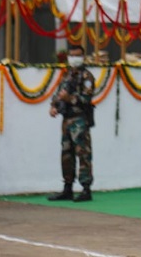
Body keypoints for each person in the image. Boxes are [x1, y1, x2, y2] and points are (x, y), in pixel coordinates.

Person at [48, 45, 95, 202]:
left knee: (83, 154)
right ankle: (67, 187)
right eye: (72, 55)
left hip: (80, 119)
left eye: (78, 55)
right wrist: (54, 106)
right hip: (66, 120)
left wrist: (70, 99)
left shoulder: (87, 77)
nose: (75, 59)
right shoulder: (67, 76)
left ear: (83, 57)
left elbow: (86, 99)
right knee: (66, 154)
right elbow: (58, 94)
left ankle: (86, 189)